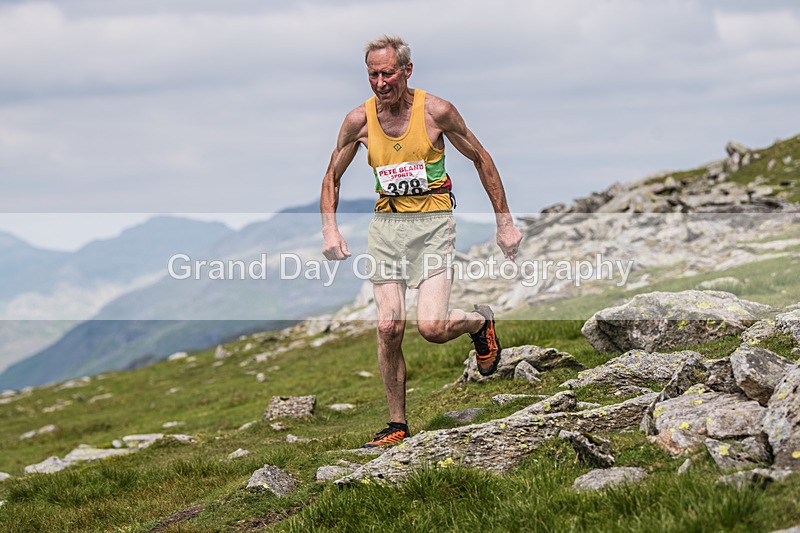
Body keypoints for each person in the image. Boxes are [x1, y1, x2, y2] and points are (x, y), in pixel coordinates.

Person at [320, 35, 522, 447]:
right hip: (387, 228)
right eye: (373, 74)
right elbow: (331, 176)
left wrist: (504, 223)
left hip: (433, 224)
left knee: (430, 327)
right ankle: (397, 425)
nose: (380, 82)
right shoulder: (358, 121)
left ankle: (480, 321)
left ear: (407, 71)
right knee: (388, 326)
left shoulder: (437, 111)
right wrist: (330, 228)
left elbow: (482, 159)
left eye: (388, 72)